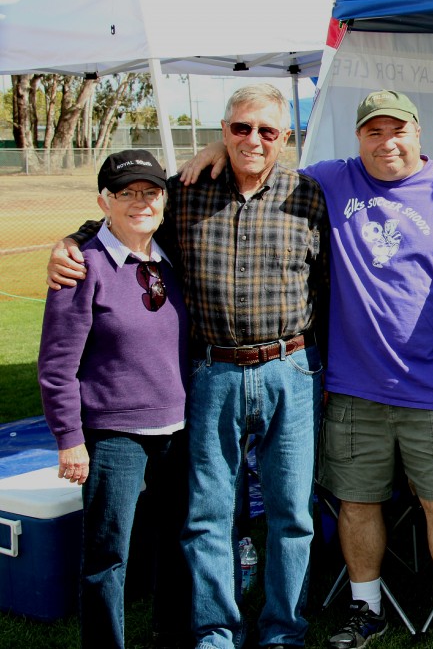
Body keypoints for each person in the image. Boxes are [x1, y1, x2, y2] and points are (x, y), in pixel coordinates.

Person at [178, 89, 433, 649]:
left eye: (397, 130)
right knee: (355, 502)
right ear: (357, 139)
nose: (386, 142)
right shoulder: (327, 181)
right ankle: (364, 607)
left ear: (418, 133)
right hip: (352, 388)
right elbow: (259, 150)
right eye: (373, 132)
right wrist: (217, 146)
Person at [48, 84, 329, 649]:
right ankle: (216, 632)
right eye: (241, 128)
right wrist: (73, 241)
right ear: (223, 131)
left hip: (289, 369)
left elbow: (323, 285)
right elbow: (130, 217)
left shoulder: (307, 195)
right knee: (208, 516)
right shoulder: (186, 191)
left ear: (286, 138)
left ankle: (282, 632)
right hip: (210, 372)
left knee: (291, 515)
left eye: (267, 131)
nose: (254, 139)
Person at [37, 150, 191, 649]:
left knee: (175, 543)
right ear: (104, 201)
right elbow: (57, 366)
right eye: (126, 193)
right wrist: (69, 440)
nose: (140, 202)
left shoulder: (173, 257)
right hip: (113, 435)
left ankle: (170, 635)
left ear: (164, 200)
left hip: (178, 430)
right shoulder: (84, 266)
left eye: (150, 191)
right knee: (108, 554)